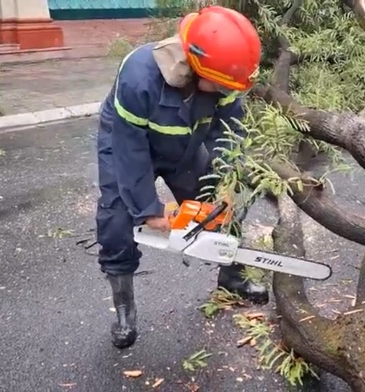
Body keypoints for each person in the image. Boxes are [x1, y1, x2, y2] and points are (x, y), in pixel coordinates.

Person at [96, 5, 267, 349]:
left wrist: (226, 181)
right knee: (116, 218)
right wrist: (149, 209)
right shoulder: (139, 75)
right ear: (195, 65)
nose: (223, 92)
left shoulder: (225, 80)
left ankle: (231, 277)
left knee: (223, 206)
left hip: (183, 145)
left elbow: (229, 135)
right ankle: (124, 308)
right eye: (218, 85)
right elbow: (130, 152)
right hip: (127, 142)